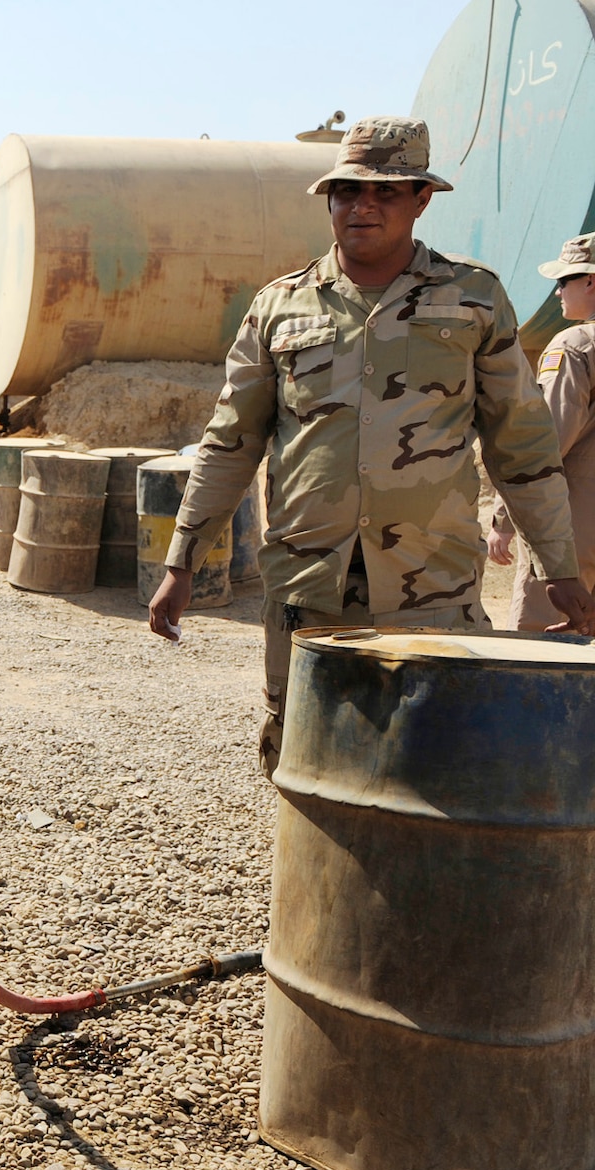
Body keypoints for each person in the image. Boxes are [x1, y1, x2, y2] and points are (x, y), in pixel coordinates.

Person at [146, 116, 595, 774]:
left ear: (422, 199)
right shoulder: (279, 309)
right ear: (328, 200)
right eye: (347, 191)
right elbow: (230, 444)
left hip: (432, 595)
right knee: (308, 763)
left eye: (387, 192)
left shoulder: (473, 299)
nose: (363, 206)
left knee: (443, 765)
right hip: (310, 595)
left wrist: (559, 567)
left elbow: (522, 447)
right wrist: (182, 562)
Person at [488, 231, 595, 628]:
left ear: (590, 280)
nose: (557, 294)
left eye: (562, 282)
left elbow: (545, 441)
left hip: (572, 530)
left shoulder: (575, 345)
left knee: (541, 649)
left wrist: (502, 518)